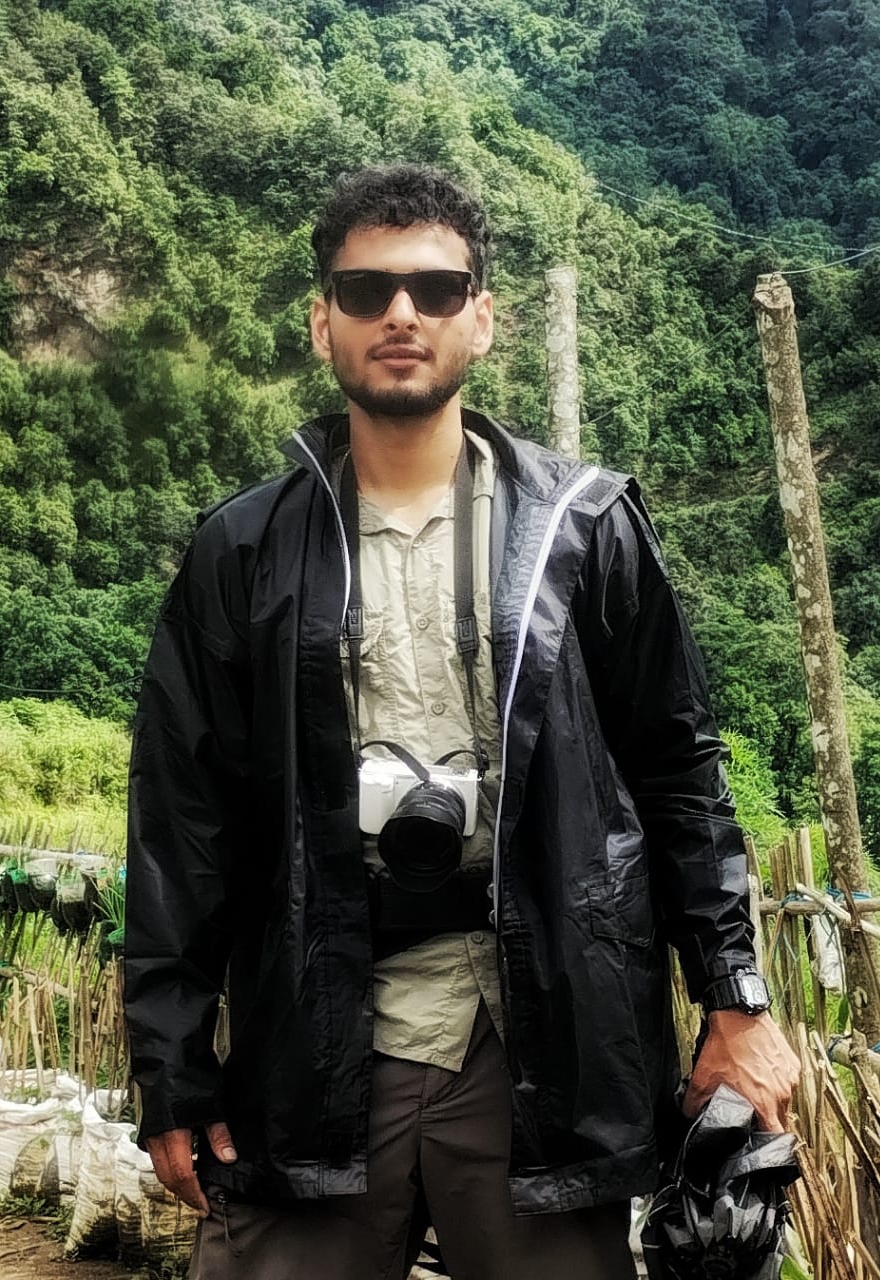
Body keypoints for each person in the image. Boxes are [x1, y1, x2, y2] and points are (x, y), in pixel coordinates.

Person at [124, 164, 800, 1280]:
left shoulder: (581, 528)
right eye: (366, 290)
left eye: (436, 290)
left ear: (481, 318)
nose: (402, 313)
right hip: (313, 1050)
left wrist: (734, 1000)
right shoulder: (242, 549)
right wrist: (171, 1066)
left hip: (537, 1047)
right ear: (322, 322)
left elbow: (678, 769)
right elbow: (180, 821)